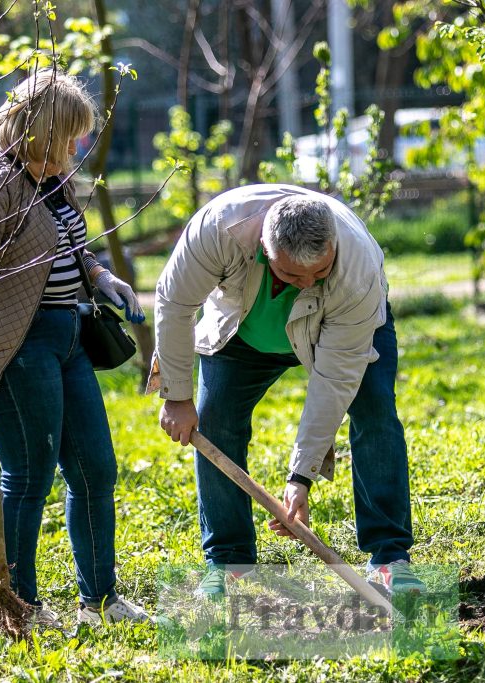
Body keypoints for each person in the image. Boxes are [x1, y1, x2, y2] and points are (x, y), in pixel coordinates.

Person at [0, 69, 147, 627]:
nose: (78, 146)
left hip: (69, 336)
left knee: (95, 469)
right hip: (13, 346)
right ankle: (20, 606)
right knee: (28, 475)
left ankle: (100, 598)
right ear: (40, 130)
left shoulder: (51, 175)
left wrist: (103, 280)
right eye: (70, 134)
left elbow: (71, 245)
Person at [150, 184, 421, 596]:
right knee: (216, 418)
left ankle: (389, 556)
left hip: (338, 328)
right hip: (242, 331)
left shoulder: (357, 269)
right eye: (294, 274)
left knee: (375, 413)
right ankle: (229, 562)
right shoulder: (219, 229)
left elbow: (335, 380)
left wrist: (301, 477)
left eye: (320, 272)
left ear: (333, 249)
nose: (308, 282)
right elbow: (174, 303)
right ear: (264, 247)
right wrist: (176, 395)